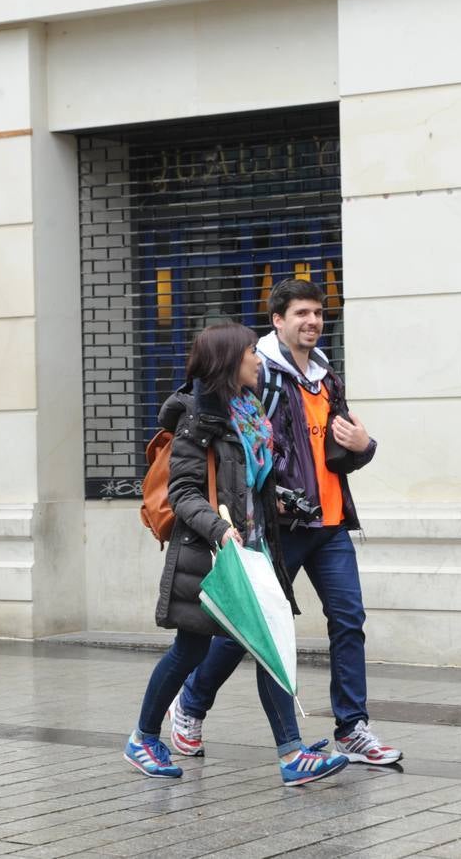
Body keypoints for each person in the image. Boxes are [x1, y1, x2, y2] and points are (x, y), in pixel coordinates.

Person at [170, 280, 403, 766]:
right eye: (301, 313)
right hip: (280, 529)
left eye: (318, 313)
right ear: (278, 320)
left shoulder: (326, 376)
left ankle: (352, 728)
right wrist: (262, 501)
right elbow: (239, 448)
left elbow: (337, 452)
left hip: (331, 524)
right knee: (246, 630)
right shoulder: (262, 375)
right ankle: (191, 704)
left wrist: (365, 445)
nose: (312, 321)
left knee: (348, 620)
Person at [124, 321, 348, 786]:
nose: (258, 359)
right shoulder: (196, 418)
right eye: (250, 351)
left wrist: (277, 500)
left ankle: (291, 754)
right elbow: (185, 492)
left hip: (257, 547)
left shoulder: (247, 411)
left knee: (269, 646)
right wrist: (221, 528)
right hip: (211, 554)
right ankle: (144, 737)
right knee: (189, 650)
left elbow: (247, 482)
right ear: (229, 361)